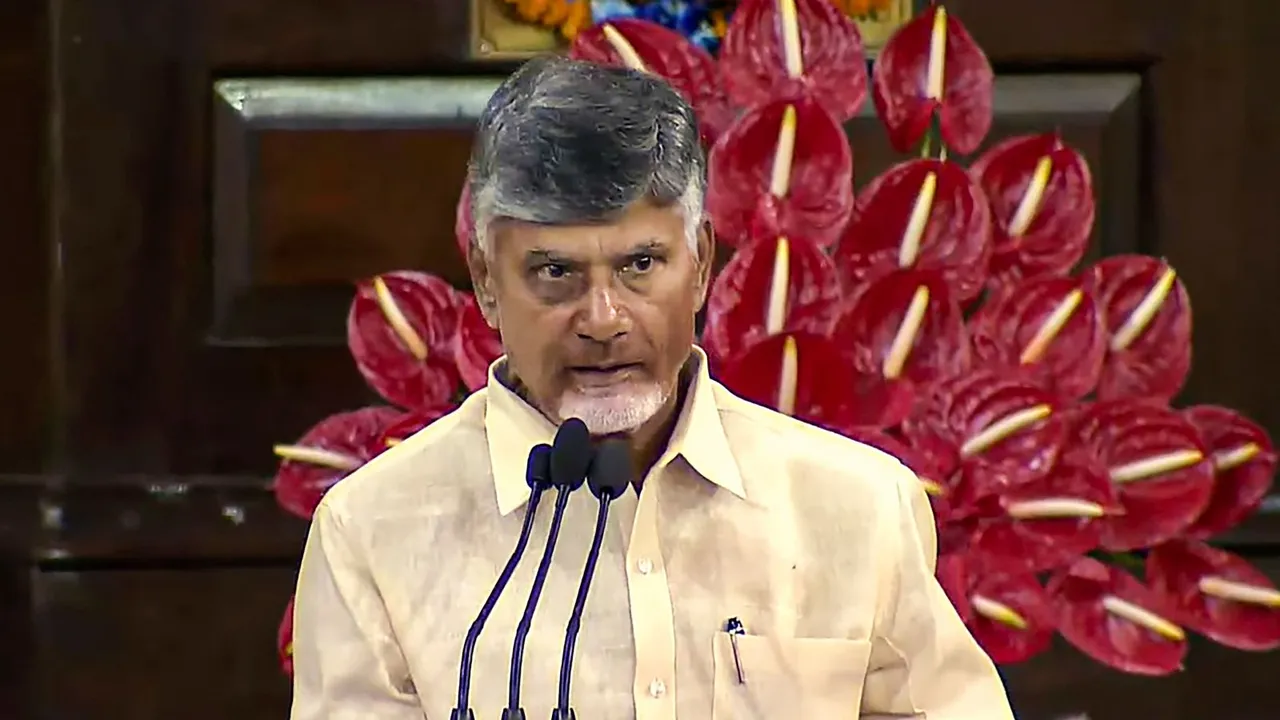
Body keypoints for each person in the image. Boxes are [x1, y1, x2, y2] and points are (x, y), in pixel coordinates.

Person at [289, 56, 1015, 719]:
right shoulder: (375, 530)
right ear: (485, 282)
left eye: (640, 265)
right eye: (554, 273)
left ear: (700, 266)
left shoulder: (859, 506)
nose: (603, 320)